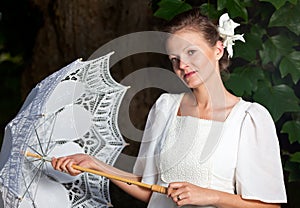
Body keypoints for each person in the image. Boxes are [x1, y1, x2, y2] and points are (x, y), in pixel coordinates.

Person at [51, 9, 287, 207]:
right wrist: (95, 164)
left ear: (218, 49)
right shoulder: (165, 107)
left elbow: (268, 205)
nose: (182, 65)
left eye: (191, 52)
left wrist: (210, 196)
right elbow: (149, 187)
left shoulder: (249, 119)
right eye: (174, 59)